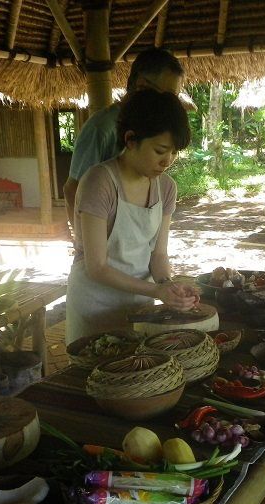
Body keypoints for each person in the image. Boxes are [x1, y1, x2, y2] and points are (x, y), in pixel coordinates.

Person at [65, 89, 198, 343]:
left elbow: (158, 254)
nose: (167, 160)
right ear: (130, 140)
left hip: (141, 304)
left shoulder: (166, 188)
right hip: (95, 303)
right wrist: (157, 290)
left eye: (173, 152)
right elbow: (98, 267)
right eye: (160, 151)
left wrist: (169, 286)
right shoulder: (99, 182)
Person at [63, 47, 185, 227]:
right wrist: (87, 243)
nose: (172, 104)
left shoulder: (152, 129)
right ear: (142, 85)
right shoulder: (102, 128)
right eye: (169, 96)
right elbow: (73, 189)